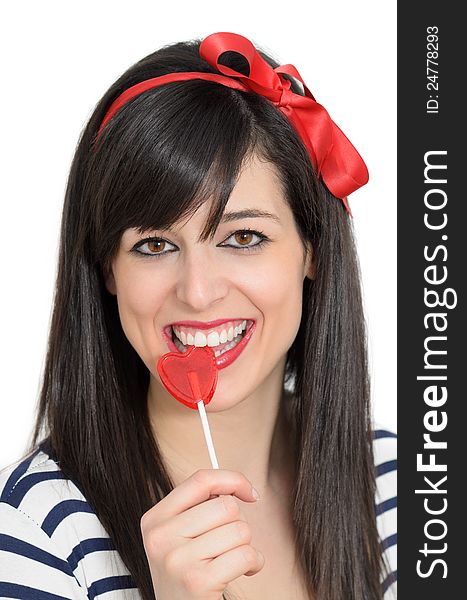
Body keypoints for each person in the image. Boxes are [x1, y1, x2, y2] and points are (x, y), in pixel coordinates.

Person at [0, 31, 396, 600]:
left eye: (244, 236)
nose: (200, 292)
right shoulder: (35, 534)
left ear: (312, 250)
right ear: (108, 268)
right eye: (155, 245)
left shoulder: (406, 488)